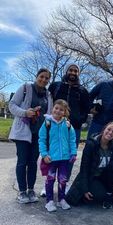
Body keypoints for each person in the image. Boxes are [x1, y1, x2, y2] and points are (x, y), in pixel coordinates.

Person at [8, 68, 53, 204]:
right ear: (37, 76)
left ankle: (31, 189)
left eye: (46, 78)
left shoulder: (48, 94)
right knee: (22, 161)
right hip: (23, 133)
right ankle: (22, 191)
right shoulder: (26, 88)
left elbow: (49, 114)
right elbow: (12, 105)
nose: (43, 80)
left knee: (33, 163)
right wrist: (25, 112)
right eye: (41, 76)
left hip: (39, 134)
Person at [47, 63, 89, 195]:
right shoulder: (56, 86)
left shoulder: (83, 91)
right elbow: (48, 101)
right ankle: (49, 182)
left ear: (78, 74)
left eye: (75, 71)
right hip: (54, 125)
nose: (73, 72)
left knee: (69, 156)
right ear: (66, 71)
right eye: (70, 70)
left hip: (73, 128)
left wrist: (78, 120)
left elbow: (86, 108)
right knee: (51, 155)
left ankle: (64, 183)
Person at [65, 122, 113, 209]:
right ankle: (94, 193)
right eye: (108, 129)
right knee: (97, 195)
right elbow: (84, 168)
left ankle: (109, 193)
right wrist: (85, 189)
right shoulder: (91, 144)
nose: (110, 133)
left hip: (103, 177)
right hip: (92, 176)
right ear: (103, 130)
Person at [39, 99, 77, 212]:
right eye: (56, 108)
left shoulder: (68, 125)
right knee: (50, 179)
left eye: (61, 109)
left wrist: (73, 153)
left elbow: (72, 140)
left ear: (65, 112)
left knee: (63, 180)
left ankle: (61, 200)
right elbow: (42, 140)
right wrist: (44, 154)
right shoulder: (47, 123)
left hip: (64, 159)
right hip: (51, 158)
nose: (58, 111)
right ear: (52, 109)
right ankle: (49, 201)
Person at [88, 70, 113, 137]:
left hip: (110, 127)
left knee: (105, 147)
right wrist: (91, 108)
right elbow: (89, 97)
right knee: (91, 145)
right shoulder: (103, 84)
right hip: (96, 122)